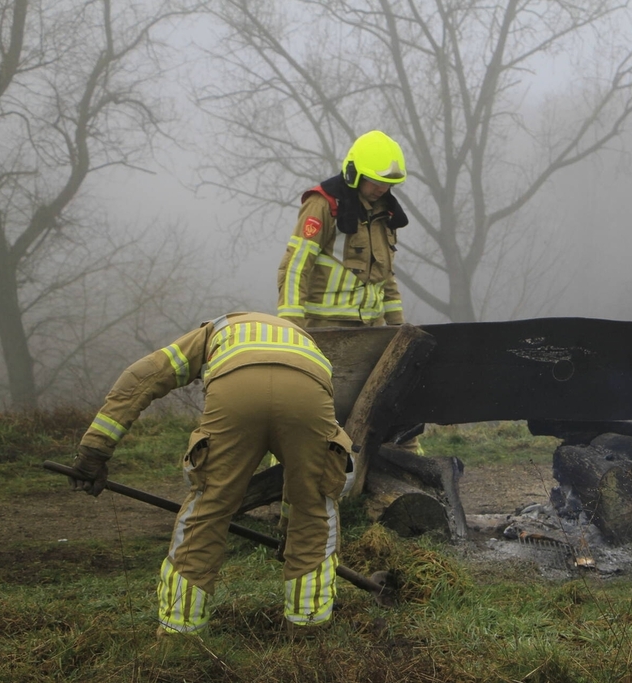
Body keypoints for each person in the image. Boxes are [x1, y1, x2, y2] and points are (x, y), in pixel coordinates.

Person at [68, 312, 353, 636]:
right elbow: (294, 472)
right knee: (314, 506)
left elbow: (142, 377)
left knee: (208, 509)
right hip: (308, 394)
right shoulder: (302, 339)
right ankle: (308, 629)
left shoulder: (216, 330)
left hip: (236, 393)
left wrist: (95, 450)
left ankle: (180, 632)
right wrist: (289, 525)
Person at [277, 129, 423, 455]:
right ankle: (288, 477)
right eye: (375, 181)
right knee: (308, 412)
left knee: (391, 408)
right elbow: (295, 265)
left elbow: (386, 278)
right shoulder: (322, 206)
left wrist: (399, 328)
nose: (382, 189)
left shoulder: (384, 212)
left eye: (388, 184)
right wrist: (291, 325)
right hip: (324, 333)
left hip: (372, 333)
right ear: (353, 172)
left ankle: (412, 474)